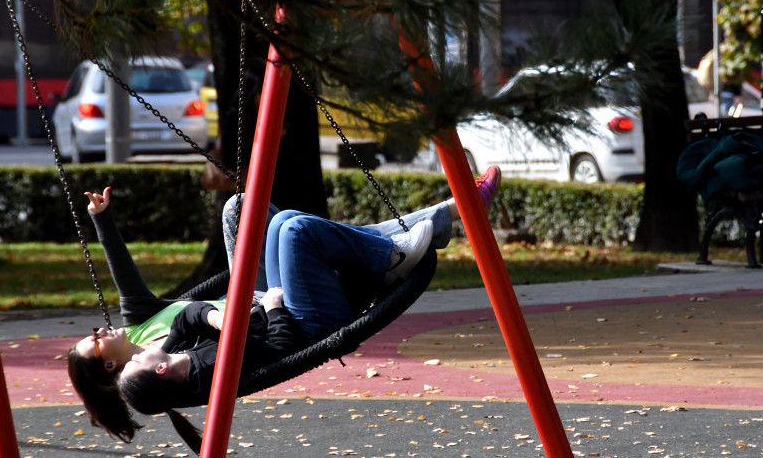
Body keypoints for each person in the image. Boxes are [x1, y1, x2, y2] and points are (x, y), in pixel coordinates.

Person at [67, 166, 502, 441]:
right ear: (112, 369)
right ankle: (418, 234)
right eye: (97, 344)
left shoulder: (144, 330)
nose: (99, 332)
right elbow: (269, 344)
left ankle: (416, 234)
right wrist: (253, 314)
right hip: (284, 315)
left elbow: (173, 305)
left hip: (248, 296)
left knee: (249, 211)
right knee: (295, 232)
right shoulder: (187, 371)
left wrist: (102, 219)